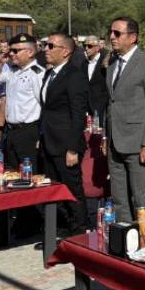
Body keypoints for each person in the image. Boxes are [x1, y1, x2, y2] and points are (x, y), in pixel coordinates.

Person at [105, 17, 145, 223]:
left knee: (139, 197)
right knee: (118, 196)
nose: (112, 37)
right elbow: (111, 103)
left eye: (117, 33)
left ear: (133, 37)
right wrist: (106, 136)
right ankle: (123, 236)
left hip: (136, 142)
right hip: (115, 141)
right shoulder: (113, 63)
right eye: (111, 32)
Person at [38, 33, 90, 235]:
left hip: (66, 143)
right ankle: (60, 230)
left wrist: (73, 148)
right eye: (45, 45)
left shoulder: (74, 75)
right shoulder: (50, 74)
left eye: (51, 46)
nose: (46, 49)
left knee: (71, 188)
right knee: (53, 187)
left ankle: (80, 230)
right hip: (49, 140)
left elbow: (78, 115)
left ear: (66, 51)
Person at [0, 33, 43, 169]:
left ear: (30, 52)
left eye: (15, 51)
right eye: (10, 50)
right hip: (11, 130)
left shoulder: (37, 73)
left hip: (28, 131)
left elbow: (44, 105)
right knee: (12, 172)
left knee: (29, 174)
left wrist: (40, 135)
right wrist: (0, 62)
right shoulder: (13, 71)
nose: (11, 54)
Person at [83, 35, 108, 119]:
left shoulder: (105, 62)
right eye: (84, 45)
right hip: (86, 107)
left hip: (101, 107)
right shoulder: (84, 63)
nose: (86, 48)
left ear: (97, 48)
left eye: (89, 46)